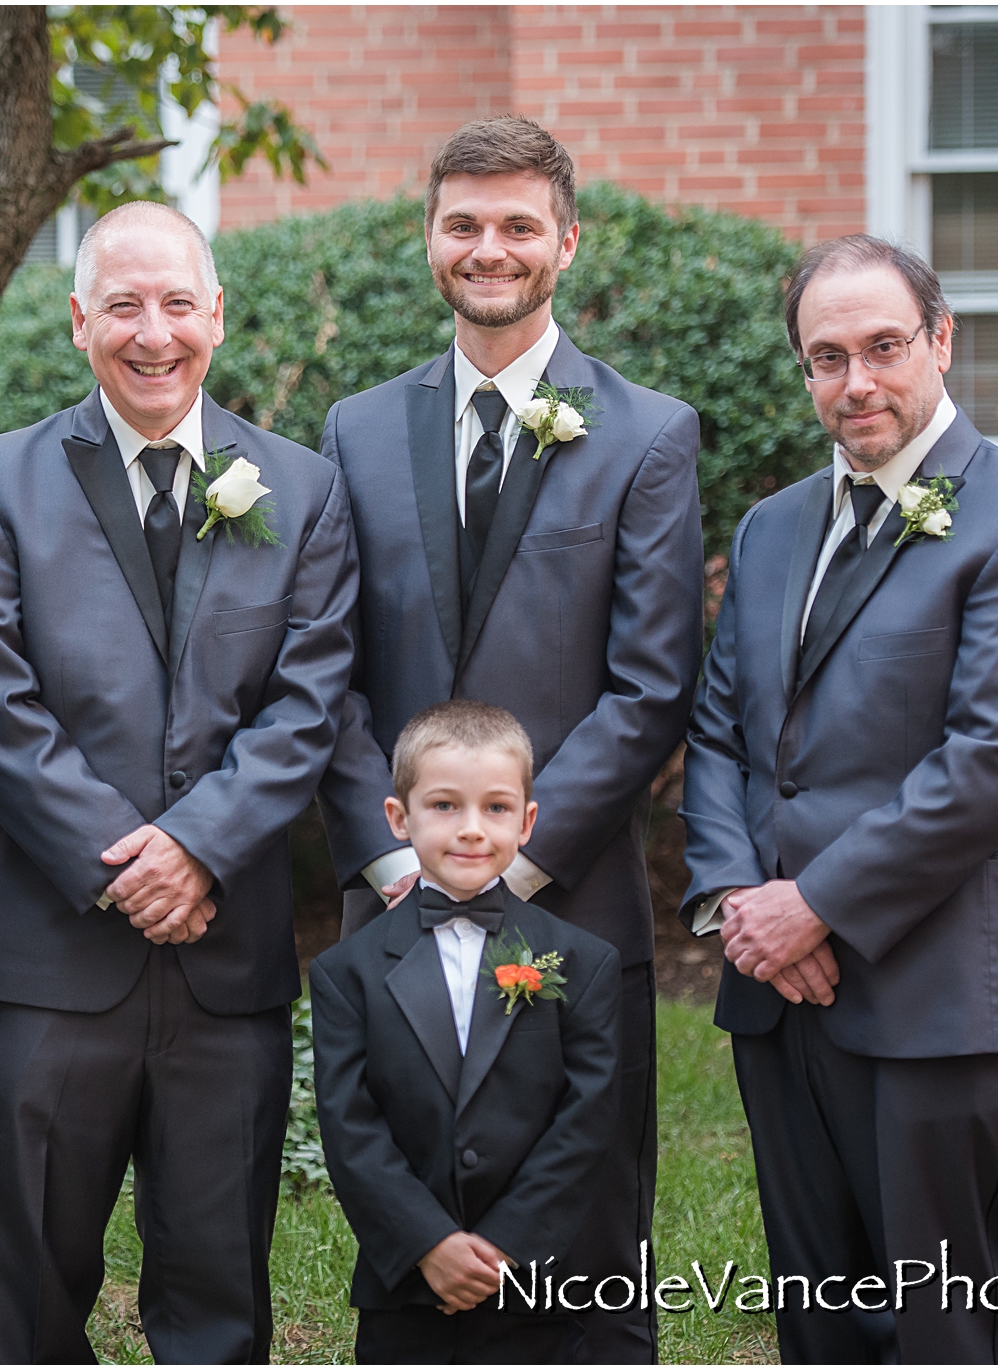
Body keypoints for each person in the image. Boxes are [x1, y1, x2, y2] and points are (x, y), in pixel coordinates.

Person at [0, 200, 359, 1363]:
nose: (152, 331)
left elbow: (308, 699)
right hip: (44, 962)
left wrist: (198, 848)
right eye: (122, 304)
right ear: (79, 322)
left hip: (225, 965)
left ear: (215, 315)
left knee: (220, 1296)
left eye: (176, 302)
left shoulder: (304, 489)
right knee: (25, 1299)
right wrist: (127, 867)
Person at [315, 115, 704, 1363]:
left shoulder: (646, 435)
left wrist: (505, 865)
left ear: (566, 241)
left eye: (517, 225)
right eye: (463, 223)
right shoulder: (354, 430)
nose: (489, 249)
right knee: (405, 1203)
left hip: (568, 898)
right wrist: (396, 865)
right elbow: (323, 669)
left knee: (581, 1219)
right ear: (428, 238)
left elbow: (649, 684)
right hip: (392, 902)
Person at [678, 234, 998, 1363]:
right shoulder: (771, 528)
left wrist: (812, 901)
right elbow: (718, 729)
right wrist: (738, 901)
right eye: (826, 357)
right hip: (776, 986)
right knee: (817, 1319)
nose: (855, 381)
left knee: (938, 1320)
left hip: (933, 985)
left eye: (881, 347)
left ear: (939, 341)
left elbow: (990, 760)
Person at [312, 700, 620, 1365]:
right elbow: (349, 1122)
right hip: (405, 1285)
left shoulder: (582, 962)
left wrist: (509, 1243)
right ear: (399, 818)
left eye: (497, 808)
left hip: (534, 1281)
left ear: (528, 820)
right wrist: (428, 1242)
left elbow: (588, 1117)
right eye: (445, 806)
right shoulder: (347, 972)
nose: (472, 830)